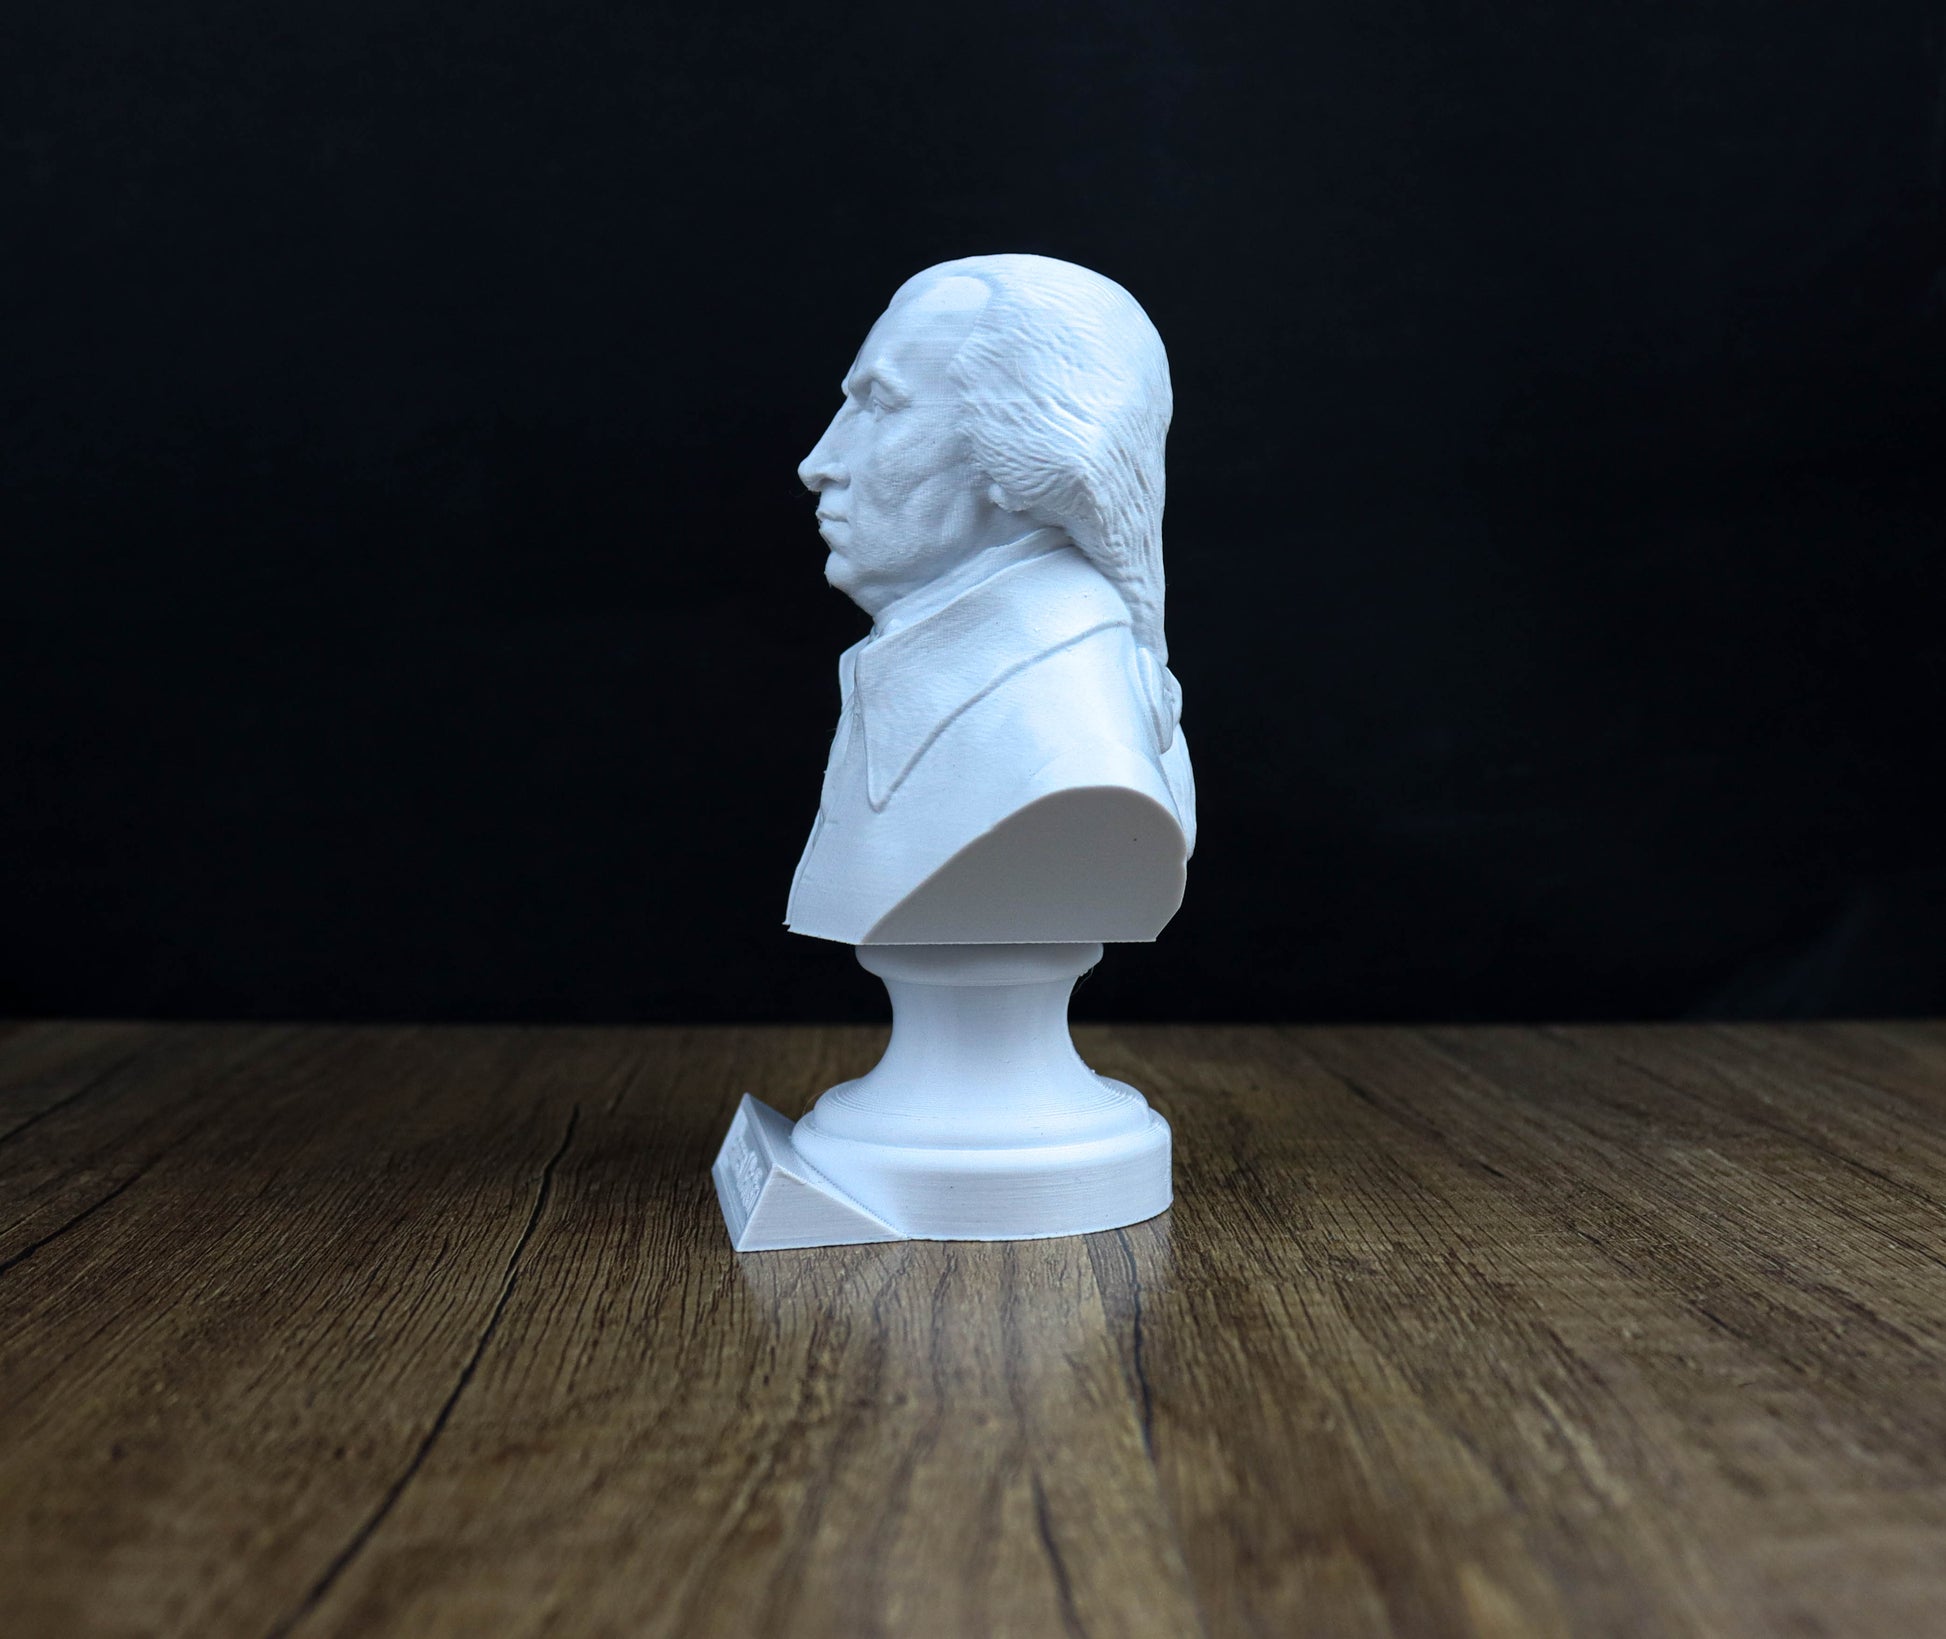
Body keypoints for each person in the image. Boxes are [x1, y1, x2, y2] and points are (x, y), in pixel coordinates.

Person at [786, 254, 1196, 945]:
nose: (819, 461)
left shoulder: (1076, 756)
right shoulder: (907, 671)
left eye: (880, 405)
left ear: (1027, 457)